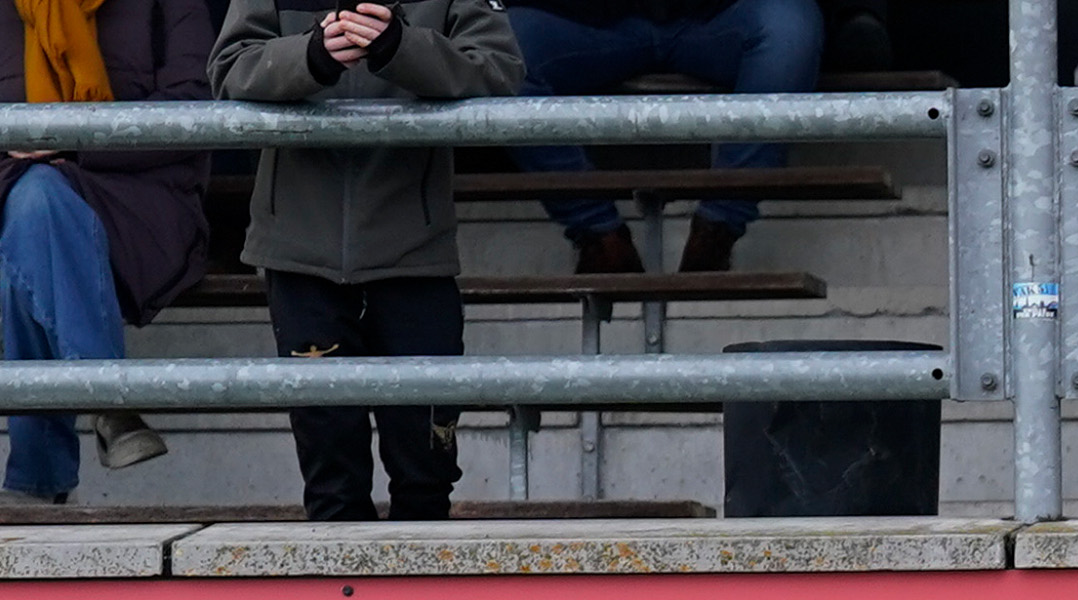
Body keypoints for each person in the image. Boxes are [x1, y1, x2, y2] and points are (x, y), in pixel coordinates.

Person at [212, 0, 522, 524]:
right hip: (300, 253)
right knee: (330, 476)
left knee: (425, 469)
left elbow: (499, 70)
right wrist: (310, 56)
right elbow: (228, 70)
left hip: (413, 254)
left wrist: (400, 47)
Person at [3, 0, 209, 508]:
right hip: (13, 189)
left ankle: (39, 480)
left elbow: (195, 103)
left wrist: (71, 142)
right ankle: (109, 400)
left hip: (134, 199)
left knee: (33, 222)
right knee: (35, 211)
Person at [499, 0, 823, 275]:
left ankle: (719, 226)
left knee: (790, 29)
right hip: (583, 20)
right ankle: (598, 235)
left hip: (719, 15)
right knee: (501, 47)